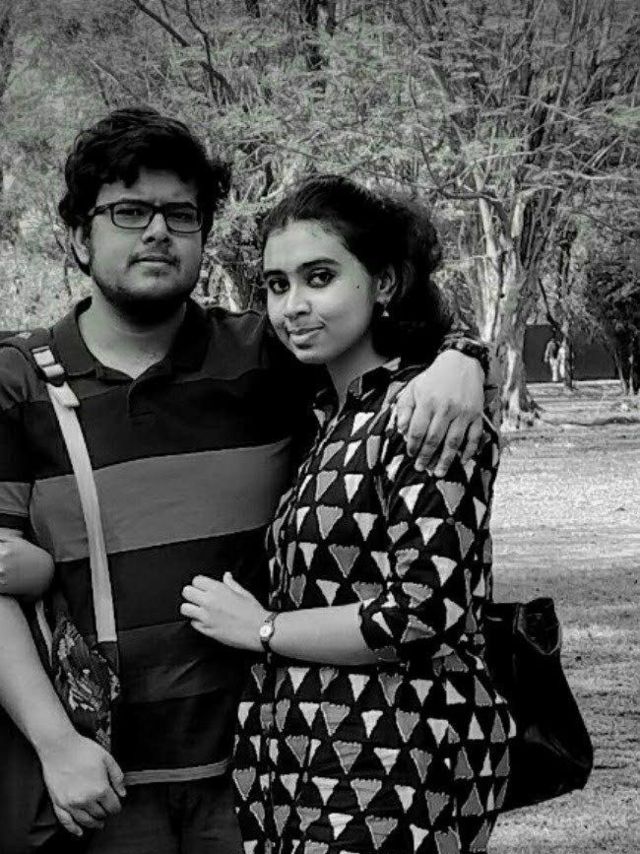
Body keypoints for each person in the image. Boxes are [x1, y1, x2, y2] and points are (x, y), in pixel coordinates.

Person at [0, 110, 489, 854]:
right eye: (129, 211)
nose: (158, 231)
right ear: (78, 236)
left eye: (181, 214)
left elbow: (382, 345)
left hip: (271, 769)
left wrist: (465, 358)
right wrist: (54, 744)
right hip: (103, 778)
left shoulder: (267, 355)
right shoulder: (19, 381)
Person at [182, 176, 514, 854]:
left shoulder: (422, 410)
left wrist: (261, 628)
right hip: (313, 756)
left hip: (395, 761)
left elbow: (424, 610)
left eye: (320, 277)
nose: (294, 306)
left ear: (384, 282)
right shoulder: (334, 415)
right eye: (277, 285)